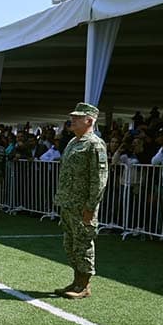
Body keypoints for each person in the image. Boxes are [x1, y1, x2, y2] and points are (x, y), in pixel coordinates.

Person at [53, 103, 109, 299]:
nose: (73, 120)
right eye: (73, 117)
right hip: (68, 203)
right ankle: (76, 281)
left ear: (90, 120)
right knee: (70, 244)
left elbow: (99, 179)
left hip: (82, 206)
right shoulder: (73, 142)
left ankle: (84, 285)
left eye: (78, 117)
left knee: (83, 244)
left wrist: (91, 207)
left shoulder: (95, 144)